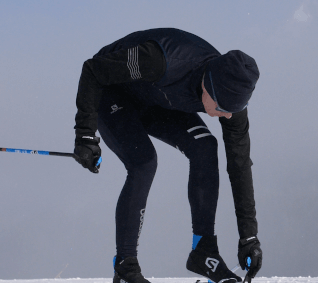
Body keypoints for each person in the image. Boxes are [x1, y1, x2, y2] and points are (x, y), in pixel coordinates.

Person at [72, 28, 263, 283]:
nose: (228, 116)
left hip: (158, 100)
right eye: (223, 108)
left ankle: (204, 251)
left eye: (235, 110)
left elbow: (239, 163)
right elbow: (93, 70)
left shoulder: (231, 101)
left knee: (205, 147)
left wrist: (248, 235)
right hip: (113, 93)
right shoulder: (158, 60)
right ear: (209, 87)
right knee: (144, 163)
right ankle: (125, 267)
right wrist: (85, 134)